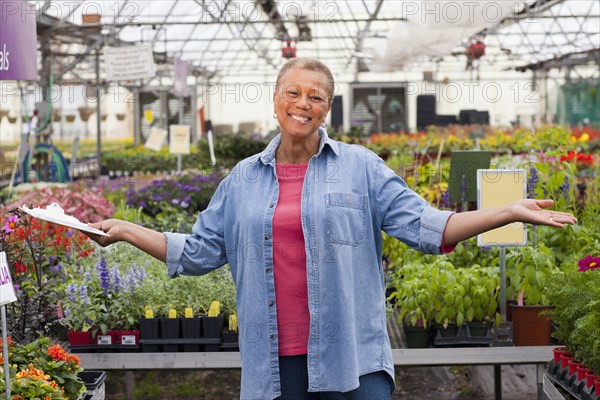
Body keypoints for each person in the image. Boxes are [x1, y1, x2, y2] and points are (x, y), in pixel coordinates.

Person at [87, 58, 576, 400]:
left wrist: (507, 211)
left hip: (352, 359)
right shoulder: (242, 179)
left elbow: (431, 225)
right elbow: (196, 252)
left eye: (316, 96)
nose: (304, 103)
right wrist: (127, 230)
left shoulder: (361, 167)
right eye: (293, 92)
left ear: (328, 108)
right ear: (275, 100)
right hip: (274, 365)